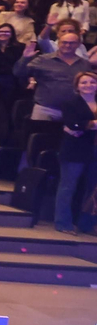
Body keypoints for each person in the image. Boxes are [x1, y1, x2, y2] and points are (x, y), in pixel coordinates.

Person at [54, 71, 97, 233]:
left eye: (92, 82)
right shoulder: (70, 103)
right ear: (77, 86)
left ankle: (87, 224)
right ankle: (62, 223)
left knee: (93, 189)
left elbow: (78, 126)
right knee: (68, 187)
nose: (88, 86)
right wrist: (92, 124)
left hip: (94, 149)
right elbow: (73, 125)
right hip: (74, 150)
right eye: (84, 83)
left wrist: (86, 125)